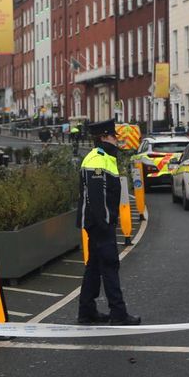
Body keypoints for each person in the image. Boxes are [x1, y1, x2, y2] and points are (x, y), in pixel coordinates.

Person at [77, 119, 141, 326]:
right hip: (99, 222)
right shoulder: (98, 159)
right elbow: (97, 196)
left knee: (95, 266)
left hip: (96, 221)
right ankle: (118, 313)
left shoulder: (103, 157)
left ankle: (86, 312)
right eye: (113, 136)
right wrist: (105, 222)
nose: (116, 139)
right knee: (110, 264)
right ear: (104, 137)